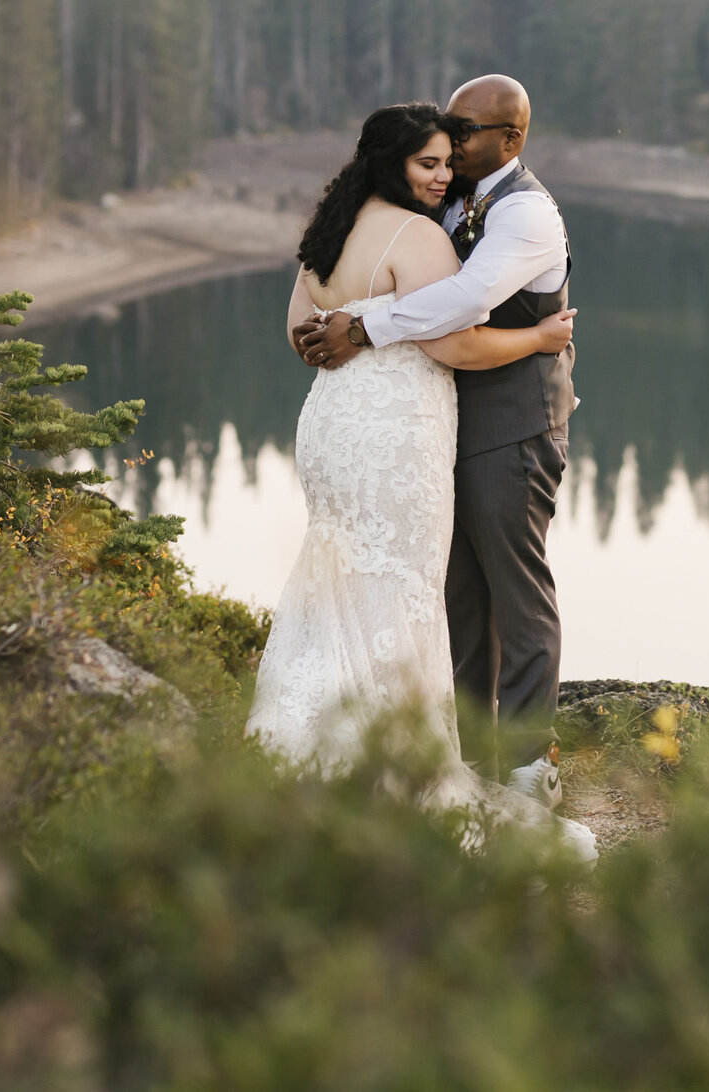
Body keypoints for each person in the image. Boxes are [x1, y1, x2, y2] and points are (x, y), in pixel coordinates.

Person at [245, 102, 596, 863]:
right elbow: (459, 344)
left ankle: (316, 735)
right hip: (398, 437)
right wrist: (538, 336)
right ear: (393, 164)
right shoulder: (420, 236)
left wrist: (344, 337)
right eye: (428, 163)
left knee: (341, 573)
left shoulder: (327, 235)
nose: (443, 174)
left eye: (449, 159)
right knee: (405, 587)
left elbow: (296, 332)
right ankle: (404, 757)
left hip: (334, 428)